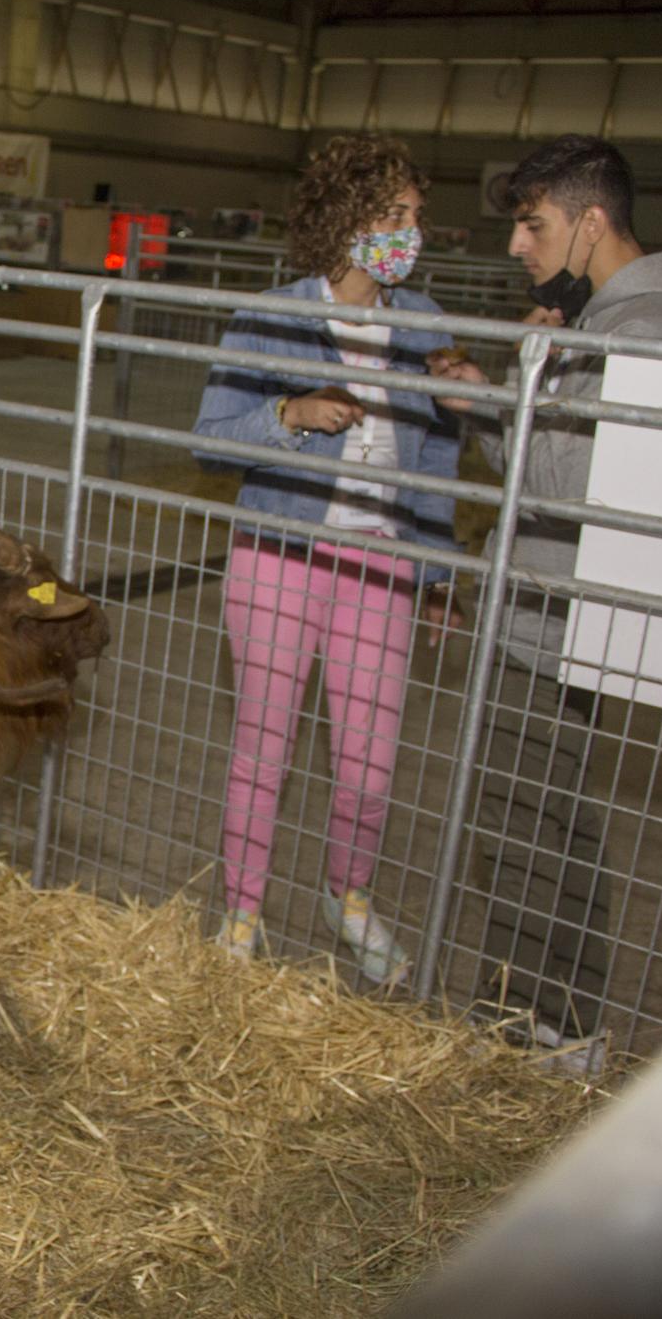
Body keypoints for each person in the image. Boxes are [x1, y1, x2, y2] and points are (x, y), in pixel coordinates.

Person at [454, 135, 662, 1057]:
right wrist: (506, 401)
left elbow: (578, 486)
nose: (517, 246)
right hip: (544, 606)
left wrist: (514, 390)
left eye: (534, 224)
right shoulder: (607, 320)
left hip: (560, 622)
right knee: (527, 815)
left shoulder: (646, 330)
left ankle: (552, 1024)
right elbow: (545, 464)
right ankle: (521, 1010)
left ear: (591, 220)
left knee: (538, 822)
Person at [192, 133, 479, 983]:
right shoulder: (272, 314)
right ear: (345, 217)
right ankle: (241, 911)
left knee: (370, 757)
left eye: (416, 216)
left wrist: (435, 573)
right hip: (282, 551)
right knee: (264, 743)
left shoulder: (423, 321)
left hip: (380, 561)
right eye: (394, 214)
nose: (410, 231)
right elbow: (209, 440)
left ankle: (347, 897)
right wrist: (289, 413)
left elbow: (435, 460)